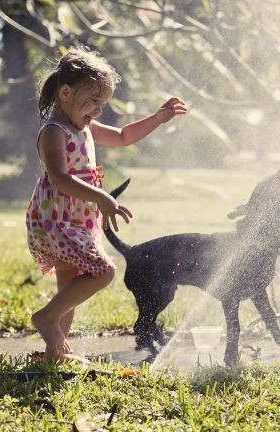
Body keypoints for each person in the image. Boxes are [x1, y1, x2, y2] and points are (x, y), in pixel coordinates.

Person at [26, 47, 187, 363]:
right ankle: (45, 319)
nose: (98, 111)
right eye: (93, 102)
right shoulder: (53, 132)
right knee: (103, 272)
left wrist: (158, 117)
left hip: (75, 221)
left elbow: (124, 136)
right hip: (56, 221)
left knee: (68, 292)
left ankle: (53, 355)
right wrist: (102, 197)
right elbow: (58, 177)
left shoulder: (83, 126)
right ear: (66, 92)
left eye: (103, 104)